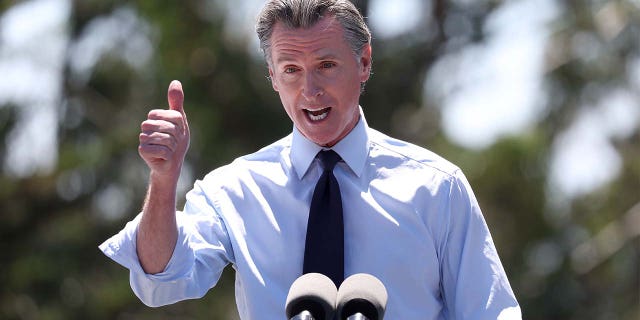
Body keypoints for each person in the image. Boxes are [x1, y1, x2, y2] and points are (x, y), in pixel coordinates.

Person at [100, 0, 522, 319]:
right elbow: (161, 278)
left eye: (326, 65)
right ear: (271, 75)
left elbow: (492, 312)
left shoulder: (436, 188)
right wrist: (164, 178)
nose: (310, 90)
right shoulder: (232, 190)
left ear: (364, 62)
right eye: (291, 70)